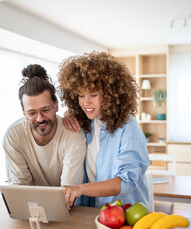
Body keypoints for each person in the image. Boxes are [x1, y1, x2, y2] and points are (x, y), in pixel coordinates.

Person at [57, 51, 150, 209]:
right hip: (94, 213)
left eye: (93, 94)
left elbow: (126, 182)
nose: (86, 102)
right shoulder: (86, 124)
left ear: (110, 95)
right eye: (80, 95)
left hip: (127, 215)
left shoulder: (128, 127)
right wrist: (69, 113)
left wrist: (80, 189)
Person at [3, 64, 86, 187]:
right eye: (32, 113)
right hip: (30, 204)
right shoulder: (14, 135)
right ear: (23, 112)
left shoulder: (72, 134)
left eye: (45, 110)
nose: (40, 118)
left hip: (67, 205)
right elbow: (19, 187)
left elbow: (69, 191)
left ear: (56, 106)